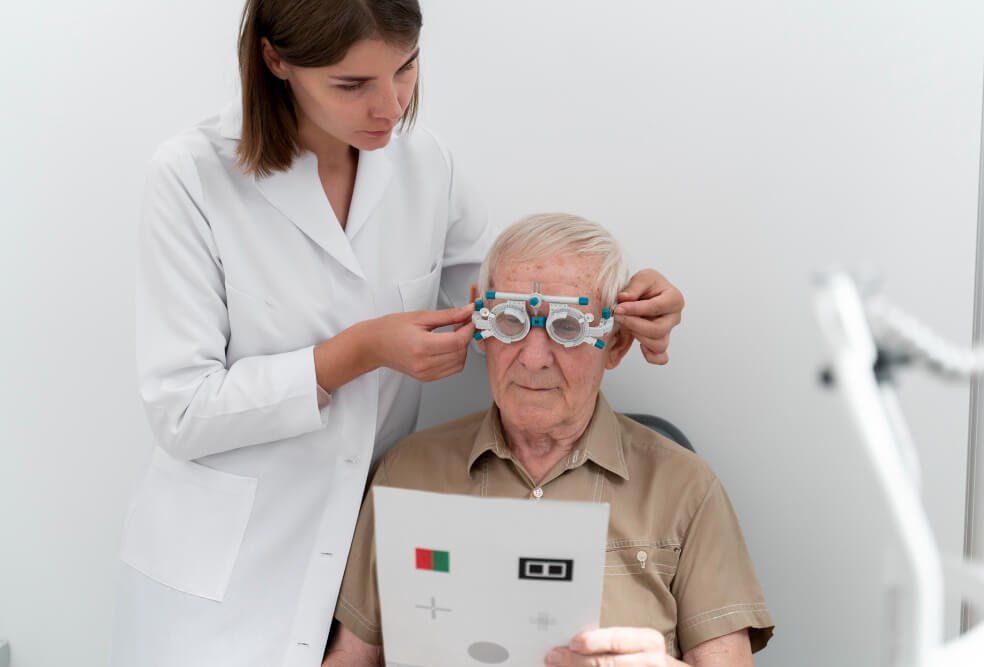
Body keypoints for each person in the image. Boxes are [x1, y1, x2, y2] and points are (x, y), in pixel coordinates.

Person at [111, 2, 685, 666]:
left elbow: (503, 305)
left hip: (360, 564)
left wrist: (625, 297)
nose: (390, 106)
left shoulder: (423, 164)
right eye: (352, 85)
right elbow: (181, 410)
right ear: (276, 61)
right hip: (220, 581)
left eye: (405, 69)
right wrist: (359, 351)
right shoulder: (191, 177)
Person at [324, 214, 773, 667]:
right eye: (510, 320)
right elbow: (351, 657)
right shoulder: (407, 474)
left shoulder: (684, 489)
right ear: (482, 324)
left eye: (568, 327)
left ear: (615, 344)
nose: (534, 359)